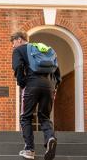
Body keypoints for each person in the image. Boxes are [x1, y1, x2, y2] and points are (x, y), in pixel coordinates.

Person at [11, 31, 61, 160]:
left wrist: (22, 83)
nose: (13, 46)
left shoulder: (20, 50)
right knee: (44, 116)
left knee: (25, 117)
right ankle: (50, 138)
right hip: (49, 85)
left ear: (20, 40)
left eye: (13, 42)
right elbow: (57, 70)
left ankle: (29, 150)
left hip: (32, 84)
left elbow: (17, 67)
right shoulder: (44, 48)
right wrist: (54, 86)